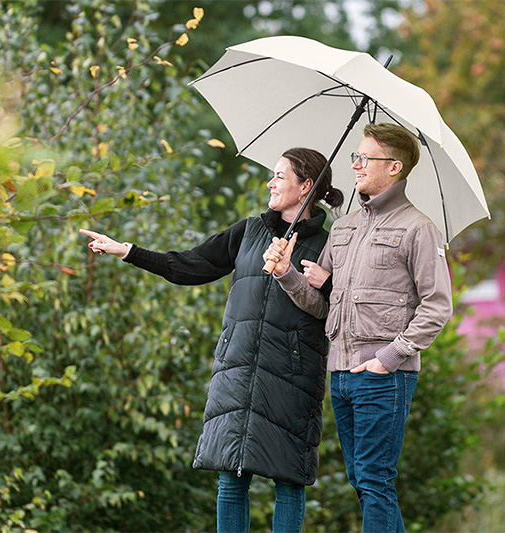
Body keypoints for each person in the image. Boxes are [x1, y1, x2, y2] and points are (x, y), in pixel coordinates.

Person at [79, 148, 344, 533]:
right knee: (230, 475)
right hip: (236, 366)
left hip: (293, 371)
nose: (270, 183)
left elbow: (333, 306)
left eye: (280, 176)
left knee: (289, 478)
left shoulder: (331, 244)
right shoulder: (250, 231)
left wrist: (299, 273)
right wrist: (128, 251)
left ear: (306, 186)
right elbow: (190, 266)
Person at [263, 123, 453, 532]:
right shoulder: (345, 227)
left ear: (395, 167)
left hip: (385, 376)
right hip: (342, 374)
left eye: (366, 158)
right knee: (365, 482)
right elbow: (320, 305)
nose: (356, 165)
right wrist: (285, 274)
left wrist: (388, 359)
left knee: (374, 481)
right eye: (355, 157)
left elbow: (437, 307)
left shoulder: (418, 228)